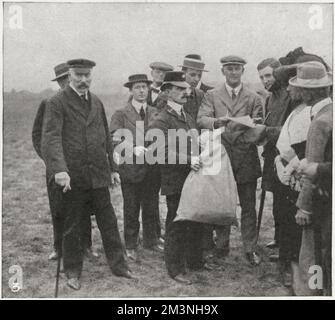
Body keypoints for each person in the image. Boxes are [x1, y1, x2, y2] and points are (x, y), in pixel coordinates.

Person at [41, 58, 132, 290]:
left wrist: (113, 168)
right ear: (69, 76)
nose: (83, 80)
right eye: (78, 76)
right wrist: (60, 170)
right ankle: (72, 271)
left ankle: (119, 266)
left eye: (87, 76)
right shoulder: (56, 102)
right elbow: (50, 139)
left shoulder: (97, 102)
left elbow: (105, 136)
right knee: (73, 225)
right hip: (73, 177)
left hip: (98, 175)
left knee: (109, 221)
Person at [197, 55, 263, 265]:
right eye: (229, 69)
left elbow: (259, 126)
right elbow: (202, 119)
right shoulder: (212, 95)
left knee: (248, 205)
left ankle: (249, 248)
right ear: (223, 71)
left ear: (243, 71)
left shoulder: (254, 97)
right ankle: (221, 245)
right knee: (221, 203)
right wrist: (218, 121)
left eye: (237, 69)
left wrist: (238, 133)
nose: (233, 72)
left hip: (246, 157)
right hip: (221, 156)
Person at [32, 63, 97, 261]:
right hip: (56, 169)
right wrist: (51, 161)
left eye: (66, 79)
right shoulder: (49, 102)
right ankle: (58, 247)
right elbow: (39, 135)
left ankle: (86, 245)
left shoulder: (84, 102)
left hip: (79, 168)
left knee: (84, 206)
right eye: (61, 81)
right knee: (58, 208)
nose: (65, 84)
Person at [149, 71, 205, 284]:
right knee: (177, 223)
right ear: (166, 91)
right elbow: (157, 152)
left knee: (195, 220)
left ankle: (194, 261)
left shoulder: (187, 116)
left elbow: (194, 142)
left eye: (186, 88)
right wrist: (187, 159)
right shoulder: (161, 120)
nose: (185, 92)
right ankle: (175, 268)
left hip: (192, 178)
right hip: (175, 181)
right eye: (179, 88)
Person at [110, 74, 163, 262]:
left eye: (144, 87)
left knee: (151, 206)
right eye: (138, 87)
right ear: (131, 90)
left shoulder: (155, 112)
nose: (142, 91)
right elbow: (114, 139)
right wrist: (132, 148)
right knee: (131, 208)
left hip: (151, 169)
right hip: (130, 170)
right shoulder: (121, 113)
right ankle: (131, 245)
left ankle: (151, 240)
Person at [291, 61, 332, 296]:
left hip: (318, 203)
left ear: (309, 92)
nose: (298, 92)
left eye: (301, 88)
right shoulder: (331, 112)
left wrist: (304, 208)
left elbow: (312, 170)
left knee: (311, 259)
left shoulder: (320, 122)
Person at [257, 58, 297, 258]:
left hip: (286, 158)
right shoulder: (269, 98)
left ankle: (286, 249)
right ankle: (279, 238)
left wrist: (265, 131)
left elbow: (290, 130)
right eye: (261, 77)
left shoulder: (291, 97)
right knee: (275, 199)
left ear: (278, 74)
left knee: (285, 202)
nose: (265, 80)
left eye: (268, 75)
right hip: (271, 155)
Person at [179, 55, 206, 120]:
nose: (197, 79)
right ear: (183, 73)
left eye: (199, 75)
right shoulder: (170, 94)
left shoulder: (200, 95)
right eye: (192, 75)